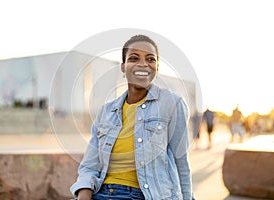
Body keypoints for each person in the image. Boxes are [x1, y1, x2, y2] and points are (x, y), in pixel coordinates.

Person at [70, 35, 195, 199]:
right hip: (100, 193)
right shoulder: (106, 111)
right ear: (123, 66)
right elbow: (89, 165)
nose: (143, 64)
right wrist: (84, 194)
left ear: (157, 66)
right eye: (134, 58)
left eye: (150, 59)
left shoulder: (171, 103)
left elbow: (181, 162)